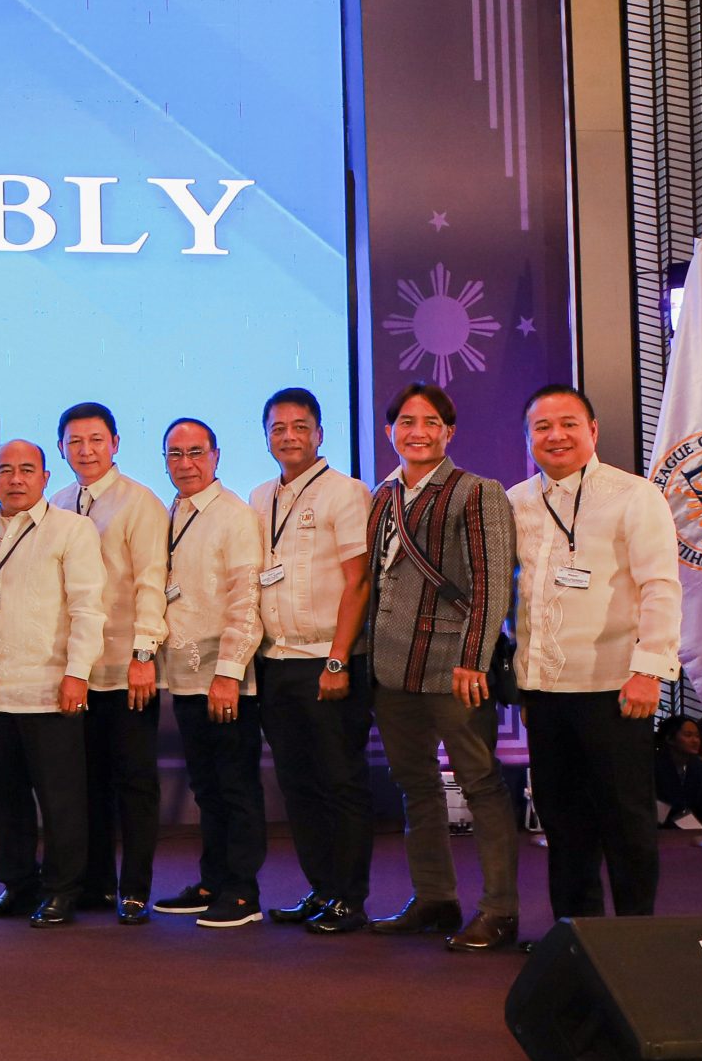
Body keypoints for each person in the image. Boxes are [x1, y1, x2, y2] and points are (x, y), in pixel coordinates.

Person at [508, 384, 681, 919]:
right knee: (563, 823)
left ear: (593, 431)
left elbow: (660, 586)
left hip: (615, 686)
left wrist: (648, 671)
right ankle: (576, 933)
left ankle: (635, 938)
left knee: (626, 822)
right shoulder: (515, 501)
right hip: (545, 690)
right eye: (542, 427)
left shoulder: (634, 496)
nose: (555, 435)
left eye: (568, 423)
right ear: (528, 437)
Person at [364, 382, 521, 953]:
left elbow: (492, 583)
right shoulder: (383, 496)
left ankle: (499, 910)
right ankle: (434, 898)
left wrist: (474, 659)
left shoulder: (478, 492)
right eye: (407, 422)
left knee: (480, 785)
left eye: (431, 422)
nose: (418, 431)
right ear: (390, 432)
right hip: (392, 667)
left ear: (448, 432)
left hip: (455, 666)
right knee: (414, 787)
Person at [247, 387, 377, 935]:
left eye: (300, 426)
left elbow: (359, 580)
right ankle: (321, 888)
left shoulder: (346, 493)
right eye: (278, 428)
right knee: (297, 784)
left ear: (320, 433)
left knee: (339, 780)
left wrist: (338, 660)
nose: (289, 437)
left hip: (329, 660)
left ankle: (349, 896)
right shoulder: (258, 497)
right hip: (276, 661)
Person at [0, 440, 105, 927]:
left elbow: (88, 607)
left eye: (27, 470)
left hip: (51, 690)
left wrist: (77, 673)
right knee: (6, 800)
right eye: (5, 470)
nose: (16, 479)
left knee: (62, 800)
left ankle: (63, 890)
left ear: (46, 478)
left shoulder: (72, 530)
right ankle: (19, 886)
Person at [48, 401, 168, 922]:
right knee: (86, 782)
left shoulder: (139, 502)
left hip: (125, 666)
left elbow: (151, 583)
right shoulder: (56, 502)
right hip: (77, 672)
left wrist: (143, 654)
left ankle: (135, 888)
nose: (86, 450)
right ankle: (94, 883)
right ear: (61, 449)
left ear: (115, 443)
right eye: (75, 442)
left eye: (96, 440)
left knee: (134, 782)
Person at [152, 418, 269, 929]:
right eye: (175, 455)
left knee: (236, 785)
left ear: (217, 456)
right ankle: (212, 882)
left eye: (196, 452)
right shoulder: (174, 512)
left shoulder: (234, 517)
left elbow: (247, 599)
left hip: (224, 676)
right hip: (184, 675)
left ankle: (243, 892)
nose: (186, 463)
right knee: (207, 787)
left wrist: (229, 673)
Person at [655, 715, 702, 830]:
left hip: (700, 831)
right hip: (662, 830)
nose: (695, 741)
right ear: (670, 738)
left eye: (697, 736)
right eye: (688, 735)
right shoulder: (653, 767)